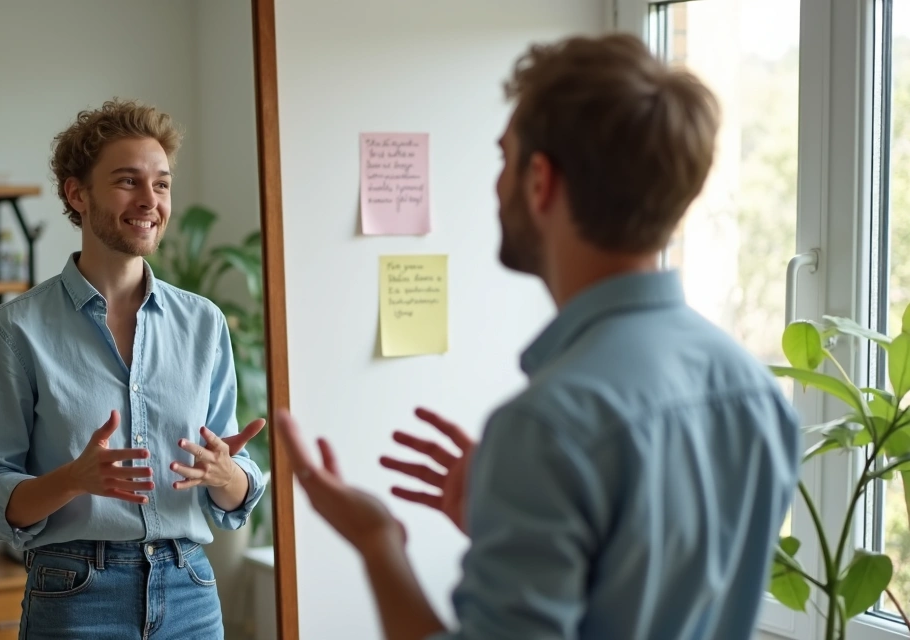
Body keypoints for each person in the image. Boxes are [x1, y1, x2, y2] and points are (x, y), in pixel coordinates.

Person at [275, 33, 802, 640]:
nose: (496, 184)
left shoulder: (548, 426)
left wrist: (378, 543)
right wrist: (521, 518)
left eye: (505, 158)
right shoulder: (756, 393)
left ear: (539, 181)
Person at [0, 98, 266, 640]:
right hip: (75, 595)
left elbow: (230, 476)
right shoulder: (13, 331)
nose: (150, 201)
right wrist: (72, 480)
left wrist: (231, 477)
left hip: (190, 588)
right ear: (77, 194)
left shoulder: (204, 323)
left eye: (163, 184)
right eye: (128, 181)